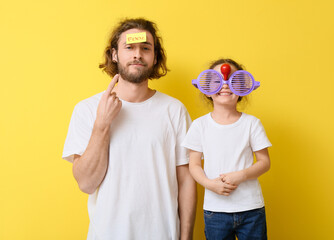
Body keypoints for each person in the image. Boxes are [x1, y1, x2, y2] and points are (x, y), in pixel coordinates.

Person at [62, 18, 196, 240]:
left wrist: (186, 237)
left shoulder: (174, 110)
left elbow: (186, 180)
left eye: (146, 48)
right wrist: (102, 124)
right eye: (129, 47)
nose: (137, 55)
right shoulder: (87, 109)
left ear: (155, 57)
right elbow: (86, 183)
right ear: (115, 54)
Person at [182, 59, 271, 240]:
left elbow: (264, 162)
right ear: (205, 88)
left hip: (251, 208)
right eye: (216, 80)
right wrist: (210, 184)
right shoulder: (199, 126)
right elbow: (194, 165)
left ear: (245, 88)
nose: (225, 84)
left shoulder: (252, 124)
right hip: (216, 211)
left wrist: (242, 175)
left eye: (233, 80)